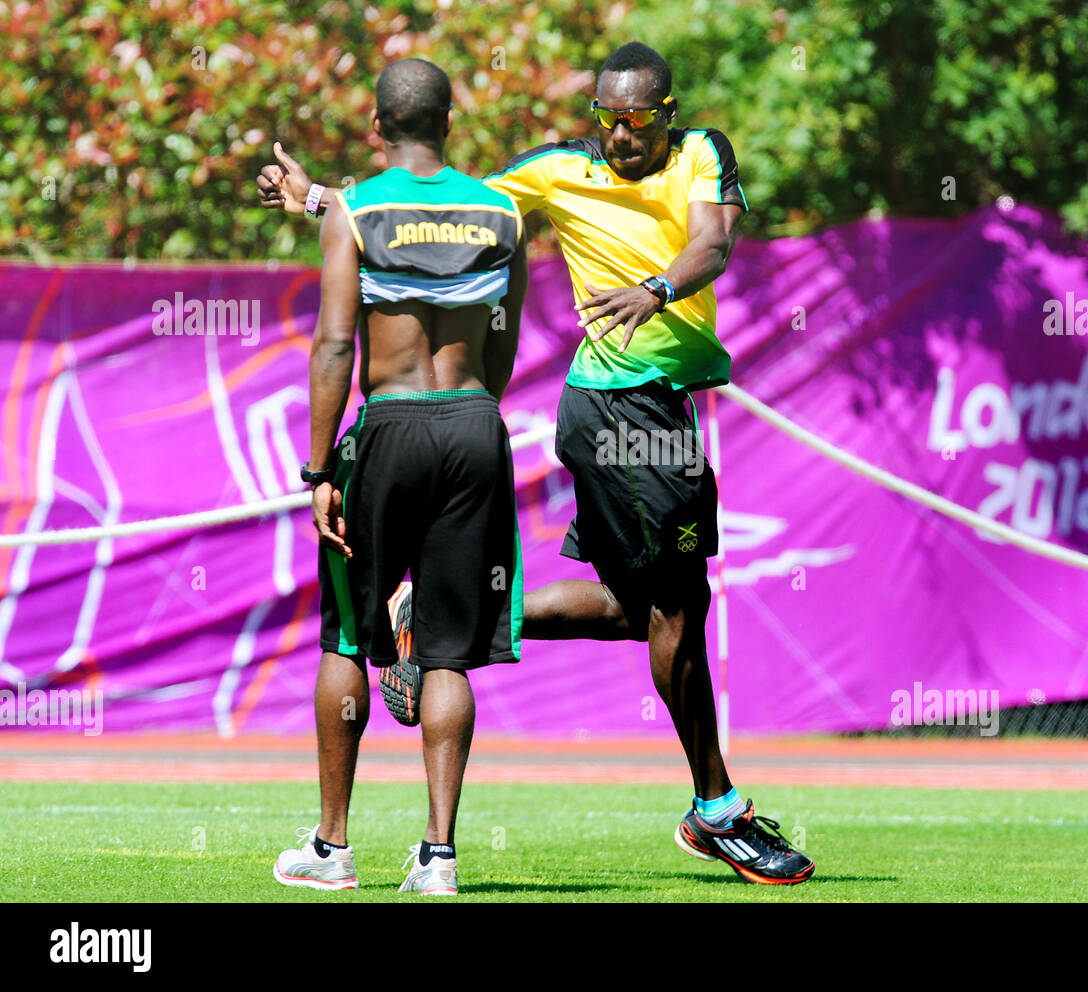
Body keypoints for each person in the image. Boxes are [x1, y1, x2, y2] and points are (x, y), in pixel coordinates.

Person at [258, 42, 812, 885]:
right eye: (608, 119)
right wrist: (318, 200)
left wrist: (657, 288)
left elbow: (713, 244)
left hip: (662, 405)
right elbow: (437, 207)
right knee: (677, 606)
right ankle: (717, 809)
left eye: (638, 120)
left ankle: (445, 617)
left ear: (668, 112)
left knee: (643, 609)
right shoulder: (556, 170)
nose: (621, 135)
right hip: (617, 407)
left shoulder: (703, 153)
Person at [270, 57, 528, 897]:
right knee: (449, 651)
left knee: (347, 637)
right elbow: (506, 342)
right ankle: (439, 857)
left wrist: (318, 468)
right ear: (451, 120)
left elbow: (335, 346)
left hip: (388, 431)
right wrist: (473, 409)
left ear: (376, 129)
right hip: (474, 424)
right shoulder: (504, 213)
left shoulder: (354, 209)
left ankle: (334, 847)